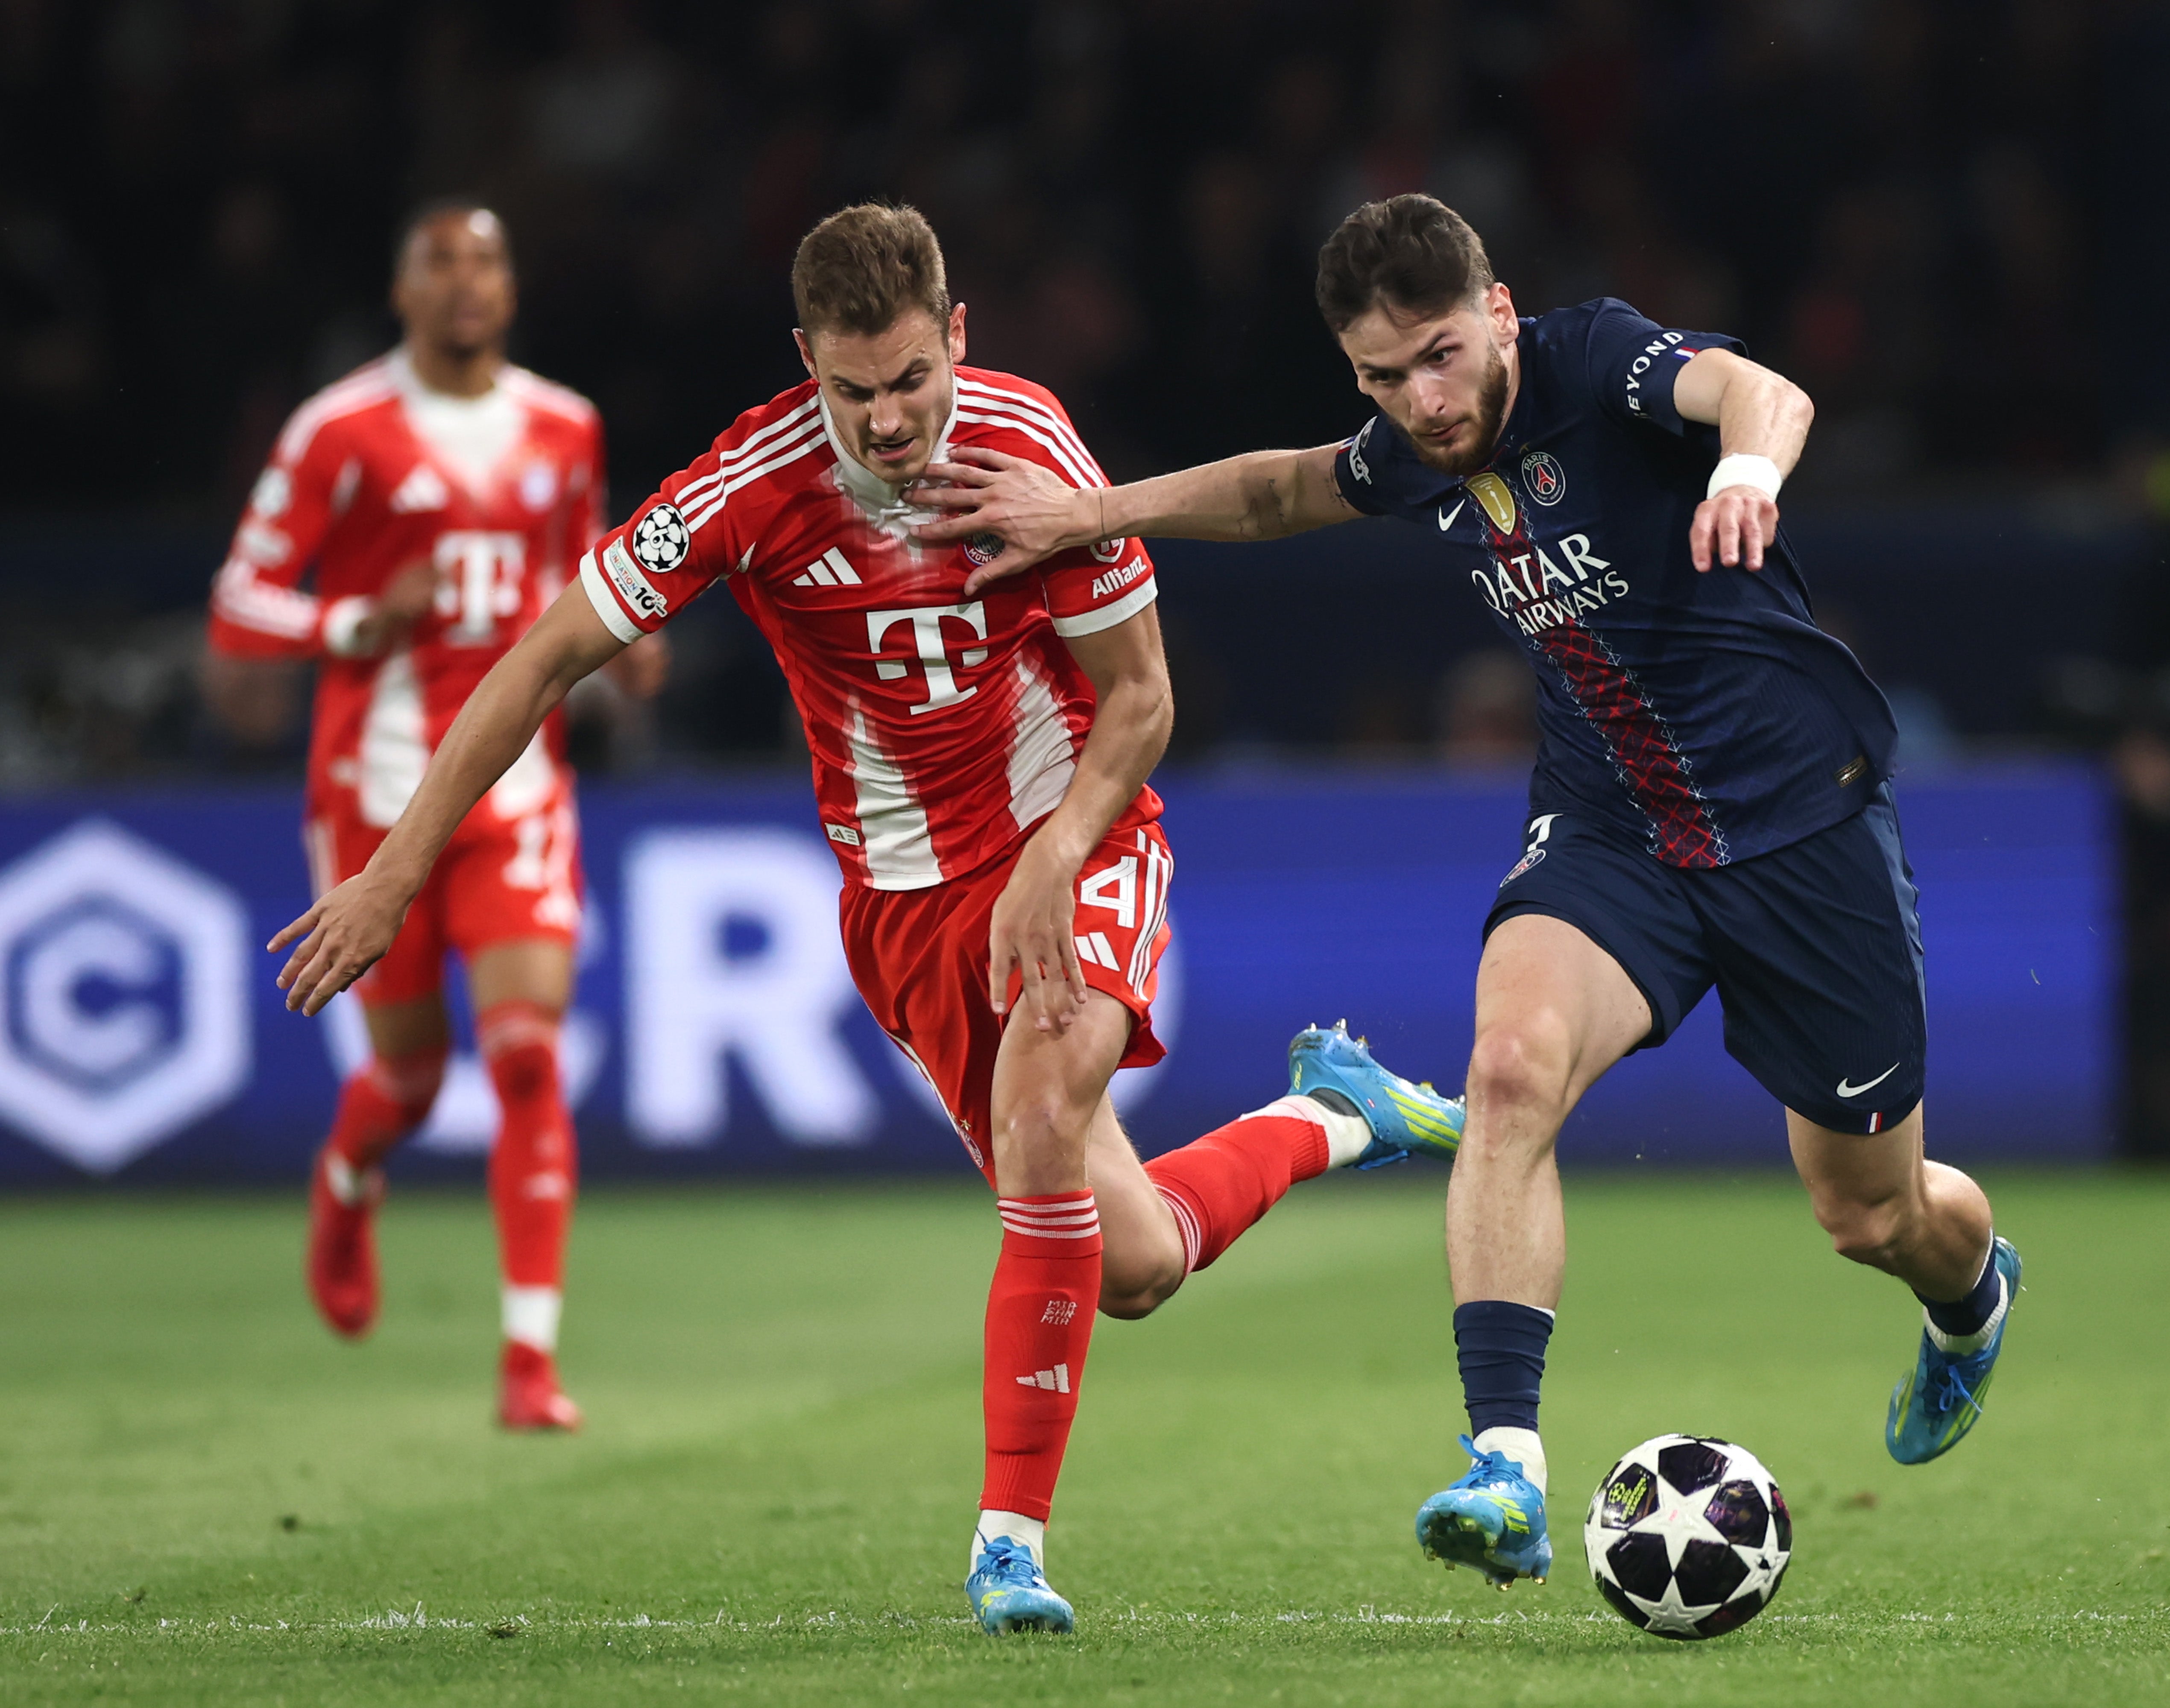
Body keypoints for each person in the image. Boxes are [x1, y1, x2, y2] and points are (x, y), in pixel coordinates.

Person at [266, 204, 1462, 1635]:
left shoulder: (1029, 452)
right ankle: (1343, 1116)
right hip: (901, 910)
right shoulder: (751, 487)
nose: (891, 422)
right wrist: (398, 867)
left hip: (1071, 844)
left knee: (1039, 1120)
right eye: (855, 393)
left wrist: (1058, 849)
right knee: (1132, 1264)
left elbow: (1141, 700)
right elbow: (548, 658)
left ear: (957, 334)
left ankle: (1006, 1550)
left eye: (912, 380)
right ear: (806, 367)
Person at [914, 193, 2023, 1589]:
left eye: (1440, 356)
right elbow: (1281, 490)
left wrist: (1746, 472)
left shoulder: (1594, 360)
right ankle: (1507, 1467)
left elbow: (1764, 391)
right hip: (1614, 831)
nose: (1421, 404)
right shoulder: (1411, 442)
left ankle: (1971, 1304)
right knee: (1504, 1077)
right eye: (1383, 377)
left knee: (1871, 1216)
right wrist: (1087, 511)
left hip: (1802, 826)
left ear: (1497, 312)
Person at [206, 200, 665, 1430]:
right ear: (402, 293)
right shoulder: (339, 430)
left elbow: (589, 574)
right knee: (410, 1081)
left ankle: (529, 1365)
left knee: (525, 1060)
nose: (467, 284)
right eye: (441, 264)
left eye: (488, 262)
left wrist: (628, 659)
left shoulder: (565, 426)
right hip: (374, 802)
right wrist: (351, 623)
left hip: (519, 794)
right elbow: (241, 601)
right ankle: (350, 1176)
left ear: (512, 291)